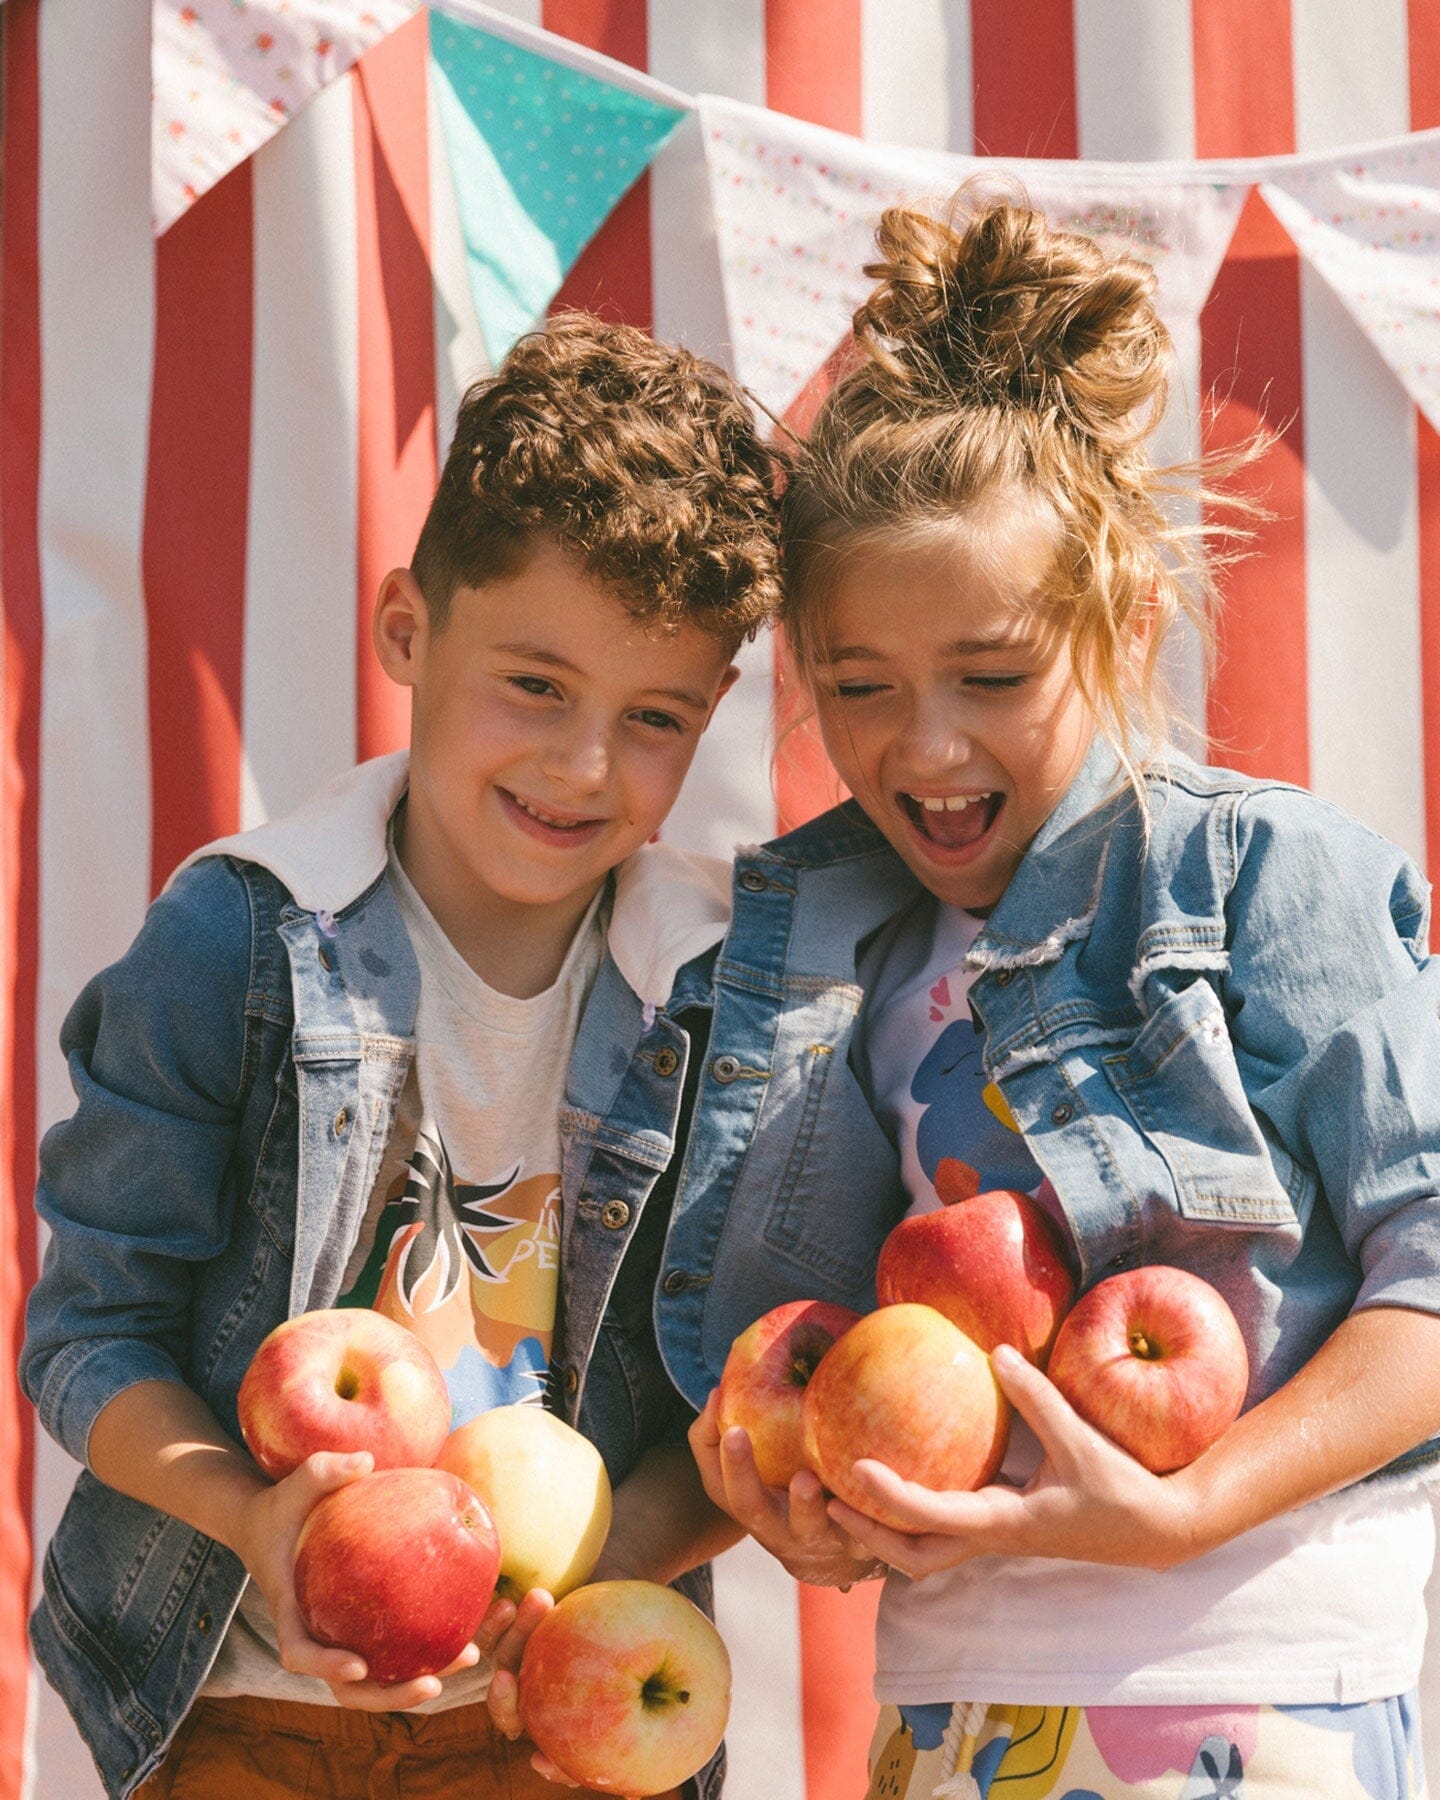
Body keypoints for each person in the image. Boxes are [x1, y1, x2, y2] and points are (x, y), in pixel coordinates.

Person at [684, 198, 1440, 1798]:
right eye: (861, 688)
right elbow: (817, 1353)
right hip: (945, 1718)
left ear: (1130, 624)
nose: (926, 748)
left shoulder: (1262, 881)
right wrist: (788, 1484)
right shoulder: (831, 953)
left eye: (995, 674)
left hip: (1254, 1702)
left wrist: (1185, 1511)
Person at [20, 312, 782, 1800]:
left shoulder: (716, 990)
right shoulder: (237, 941)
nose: (581, 767)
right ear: (406, 630)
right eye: (538, 686)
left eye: (653, 720)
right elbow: (88, 1333)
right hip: (233, 1710)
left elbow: (739, 1402)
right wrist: (259, 1525)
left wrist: (599, 1571)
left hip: (559, 1735)